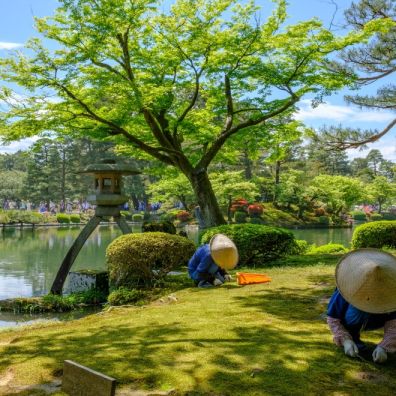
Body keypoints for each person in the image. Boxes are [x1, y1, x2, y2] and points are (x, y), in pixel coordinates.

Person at [327, 249, 396, 363]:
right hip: (353, 318)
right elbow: (333, 318)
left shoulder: (392, 293)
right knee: (356, 311)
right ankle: (352, 336)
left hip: (377, 319)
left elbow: (394, 324)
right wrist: (345, 340)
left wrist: (384, 347)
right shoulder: (347, 288)